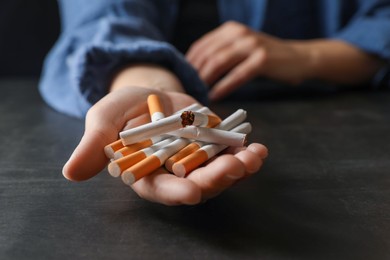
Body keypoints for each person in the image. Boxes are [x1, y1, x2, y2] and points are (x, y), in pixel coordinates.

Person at [39, 0, 390, 205]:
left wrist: (310, 55)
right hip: (184, 97)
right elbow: (103, 14)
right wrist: (147, 83)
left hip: (332, 109)